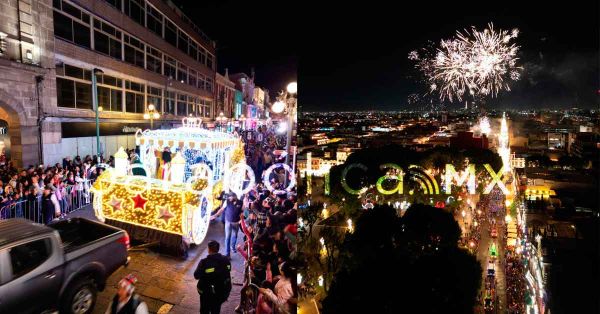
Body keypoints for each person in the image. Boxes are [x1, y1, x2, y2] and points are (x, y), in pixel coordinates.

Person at [194, 240, 232, 314]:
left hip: (207, 293)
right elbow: (229, 269)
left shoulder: (204, 262)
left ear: (209, 249)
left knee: (204, 310)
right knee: (216, 310)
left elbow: (196, 275)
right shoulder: (226, 259)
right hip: (221, 292)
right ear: (218, 249)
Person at [211, 193, 242, 258]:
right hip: (228, 222)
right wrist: (215, 215)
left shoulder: (240, 203)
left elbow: (243, 212)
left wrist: (241, 220)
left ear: (235, 197)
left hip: (236, 223)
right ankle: (227, 254)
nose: (229, 199)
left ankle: (232, 246)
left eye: (230, 198)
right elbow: (221, 209)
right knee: (227, 238)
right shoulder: (227, 201)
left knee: (235, 235)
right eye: (229, 198)